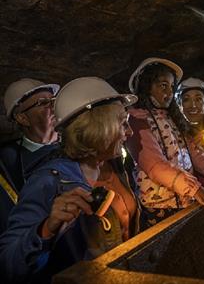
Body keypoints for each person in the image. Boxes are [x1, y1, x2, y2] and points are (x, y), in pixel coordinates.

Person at [0, 77, 139, 283]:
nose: (130, 131)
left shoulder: (118, 166)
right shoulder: (49, 181)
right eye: (122, 122)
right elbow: (8, 262)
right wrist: (46, 229)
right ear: (97, 126)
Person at [126, 57, 204, 227]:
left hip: (185, 198)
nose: (169, 92)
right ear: (146, 86)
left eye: (171, 86)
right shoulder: (136, 121)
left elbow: (194, 154)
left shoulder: (172, 118)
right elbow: (154, 165)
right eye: (163, 85)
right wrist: (194, 189)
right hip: (159, 205)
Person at [0, 78, 60, 234]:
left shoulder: (79, 146)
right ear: (22, 118)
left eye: (53, 100)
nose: (53, 106)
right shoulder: (7, 165)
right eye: (43, 103)